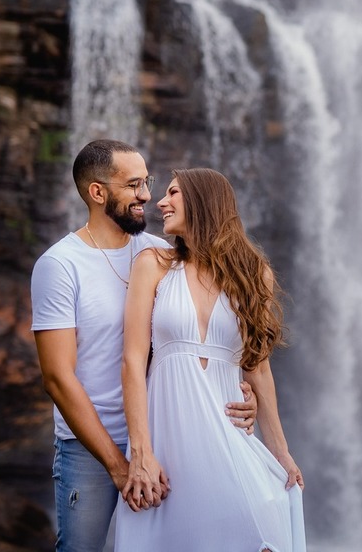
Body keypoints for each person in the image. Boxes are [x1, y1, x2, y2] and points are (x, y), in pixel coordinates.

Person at [31, 141, 258, 552]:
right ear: (98, 193)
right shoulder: (59, 265)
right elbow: (57, 378)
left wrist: (242, 394)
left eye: (148, 182)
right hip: (89, 451)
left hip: (167, 438)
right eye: (134, 185)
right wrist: (120, 466)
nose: (147, 196)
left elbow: (204, 336)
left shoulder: (164, 254)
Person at [115, 168, 306, 552]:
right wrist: (141, 453)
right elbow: (132, 362)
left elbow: (258, 366)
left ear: (203, 202)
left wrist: (281, 450)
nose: (161, 202)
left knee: (260, 530)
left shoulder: (255, 275)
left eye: (173, 193)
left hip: (230, 437)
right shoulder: (153, 264)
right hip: (167, 446)